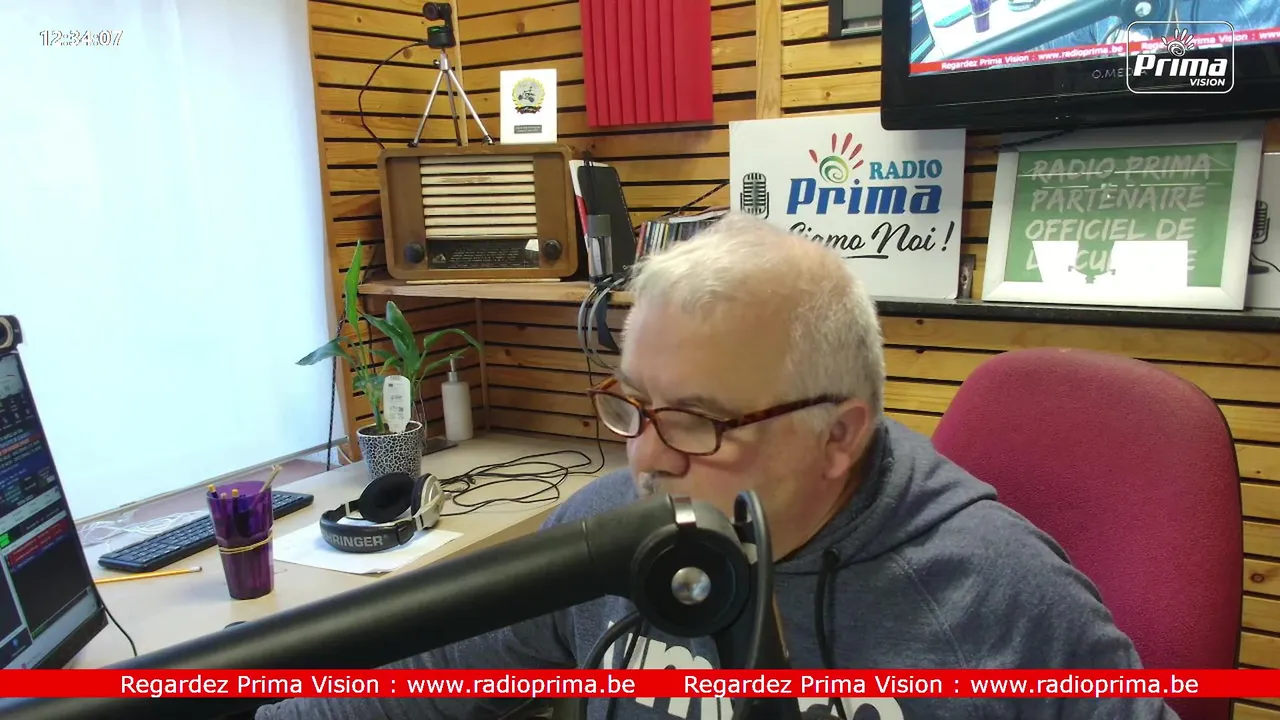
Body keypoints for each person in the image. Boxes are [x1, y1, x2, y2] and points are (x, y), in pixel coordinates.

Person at [257, 213, 1178, 720]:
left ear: (839, 436)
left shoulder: (999, 594)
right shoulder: (609, 530)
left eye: (698, 422)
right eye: (633, 405)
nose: (647, 456)